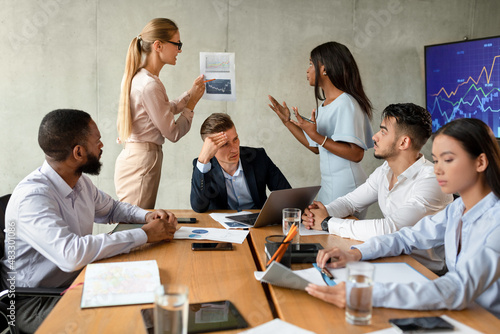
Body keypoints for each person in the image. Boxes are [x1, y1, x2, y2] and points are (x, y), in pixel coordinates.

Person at [1, 109, 178, 333]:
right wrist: (145, 234)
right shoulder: (32, 198)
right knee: (128, 320)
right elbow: (71, 254)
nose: (102, 146)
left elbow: (112, 208)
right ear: (79, 152)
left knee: (154, 294)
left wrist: (146, 216)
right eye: (98, 141)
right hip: (33, 301)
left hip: (76, 281)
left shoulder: (79, 181)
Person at [308, 118, 500, 318]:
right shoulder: (458, 209)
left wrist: (368, 294)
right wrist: (355, 253)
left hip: (488, 322)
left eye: (448, 160)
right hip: (464, 313)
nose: (438, 169)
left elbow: (458, 287)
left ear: (480, 162)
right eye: (435, 160)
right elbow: (405, 237)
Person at [302, 103, 453, 273]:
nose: (374, 137)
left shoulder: (432, 180)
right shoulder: (385, 171)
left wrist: (327, 222)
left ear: (403, 142)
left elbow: (389, 229)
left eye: (383, 131)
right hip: (392, 259)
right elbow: (350, 202)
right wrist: (321, 213)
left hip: (426, 272)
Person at [268, 41, 373, 207]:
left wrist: (317, 136)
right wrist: (287, 122)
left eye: (311, 64)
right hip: (329, 185)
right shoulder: (325, 105)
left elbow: (356, 154)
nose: (307, 70)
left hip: (347, 187)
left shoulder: (346, 103)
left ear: (324, 69)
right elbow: (316, 147)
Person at [115, 18, 205, 209]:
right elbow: (172, 133)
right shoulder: (149, 84)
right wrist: (192, 103)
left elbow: (161, 110)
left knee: (135, 226)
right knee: (136, 228)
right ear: (158, 45)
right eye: (177, 44)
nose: (179, 50)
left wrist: (190, 94)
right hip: (142, 164)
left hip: (138, 160)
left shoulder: (140, 78)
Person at [190, 113, 291, 213]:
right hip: (222, 226)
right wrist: (203, 160)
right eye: (225, 144)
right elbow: (199, 207)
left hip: (258, 224)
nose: (234, 149)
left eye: (235, 139)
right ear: (210, 148)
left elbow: (286, 194)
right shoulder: (204, 167)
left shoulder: (258, 157)